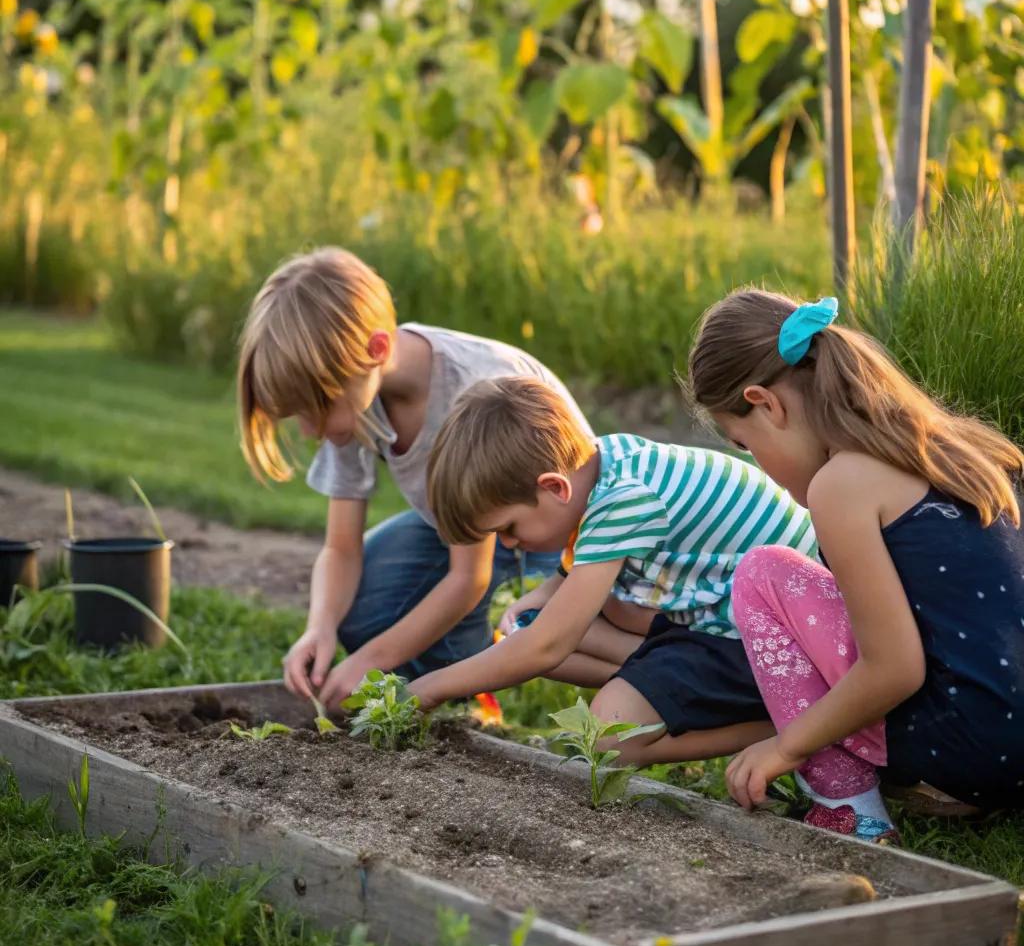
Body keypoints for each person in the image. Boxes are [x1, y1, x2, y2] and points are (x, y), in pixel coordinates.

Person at [687, 288, 1024, 842]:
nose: (758, 464)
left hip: (978, 746)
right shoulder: (960, 449)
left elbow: (895, 667)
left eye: (744, 444)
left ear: (766, 403)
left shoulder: (841, 484)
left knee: (763, 575)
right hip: (1010, 733)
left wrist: (786, 745)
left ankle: (848, 807)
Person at [238, 247, 602, 708]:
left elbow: (469, 577)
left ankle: (469, 694)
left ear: (377, 349)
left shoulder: (470, 391)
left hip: (539, 526)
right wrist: (320, 626)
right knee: (361, 606)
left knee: (422, 632)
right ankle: (441, 679)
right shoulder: (352, 384)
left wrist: (369, 661)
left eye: (317, 409)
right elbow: (341, 547)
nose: (311, 431)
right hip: (458, 529)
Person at [408, 377, 818, 766]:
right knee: (530, 627)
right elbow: (560, 604)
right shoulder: (600, 463)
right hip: (730, 614)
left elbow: (547, 646)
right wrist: (544, 597)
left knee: (608, 739)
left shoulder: (623, 501)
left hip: (779, 641)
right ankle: (662, 685)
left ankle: (788, 725)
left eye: (509, 529)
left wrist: (433, 686)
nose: (508, 544)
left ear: (554, 487)